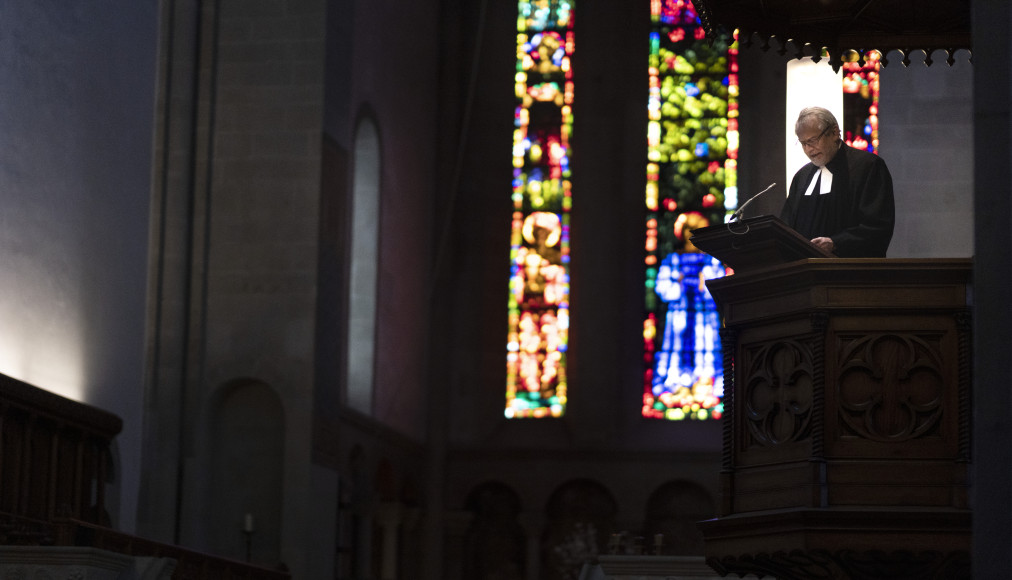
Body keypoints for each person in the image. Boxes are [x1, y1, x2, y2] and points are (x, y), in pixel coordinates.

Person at [779, 106, 895, 257]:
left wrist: (836, 243)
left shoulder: (868, 167)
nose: (809, 149)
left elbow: (878, 226)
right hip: (804, 274)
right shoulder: (802, 177)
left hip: (851, 272)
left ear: (834, 132)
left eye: (813, 141)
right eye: (803, 143)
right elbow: (786, 228)